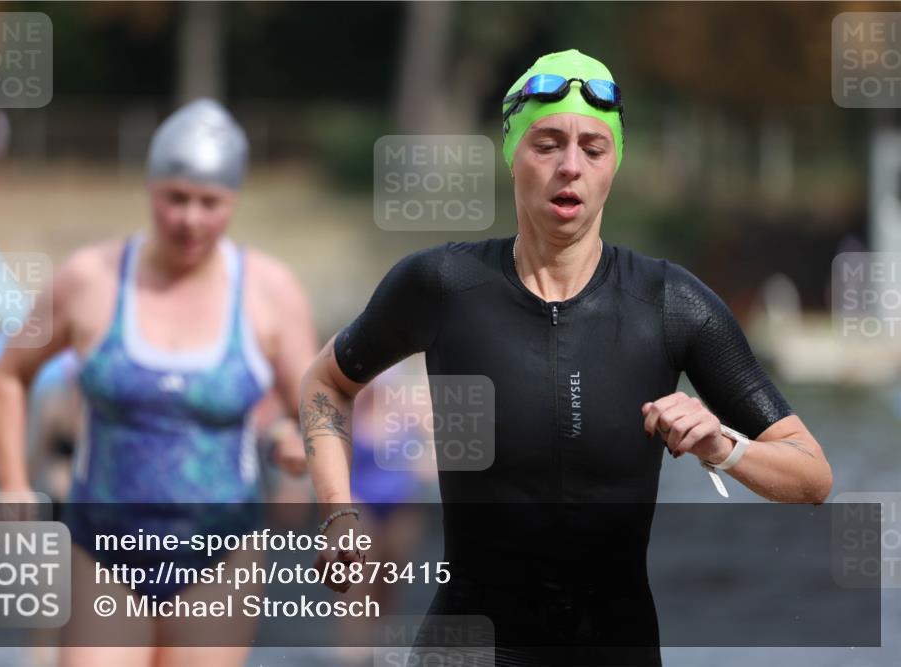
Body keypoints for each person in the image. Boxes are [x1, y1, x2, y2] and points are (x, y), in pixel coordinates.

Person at [299, 50, 833, 666]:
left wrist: (723, 446)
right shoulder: (443, 284)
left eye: (593, 149)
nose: (570, 166)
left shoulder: (669, 302)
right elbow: (326, 382)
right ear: (512, 153)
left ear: (614, 165)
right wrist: (338, 510)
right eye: (547, 144)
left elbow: (812, 475)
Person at [0, 98, 317, 667]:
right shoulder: (89, 279)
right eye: (176, 198)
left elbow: (316, 406)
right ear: (150, 189)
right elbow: (10, 375)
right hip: (102, 544)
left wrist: (294, 438)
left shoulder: (270, 291)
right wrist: (11, 481)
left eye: (210, 203)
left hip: (221, 549)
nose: (191, 219)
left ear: (234, 200)